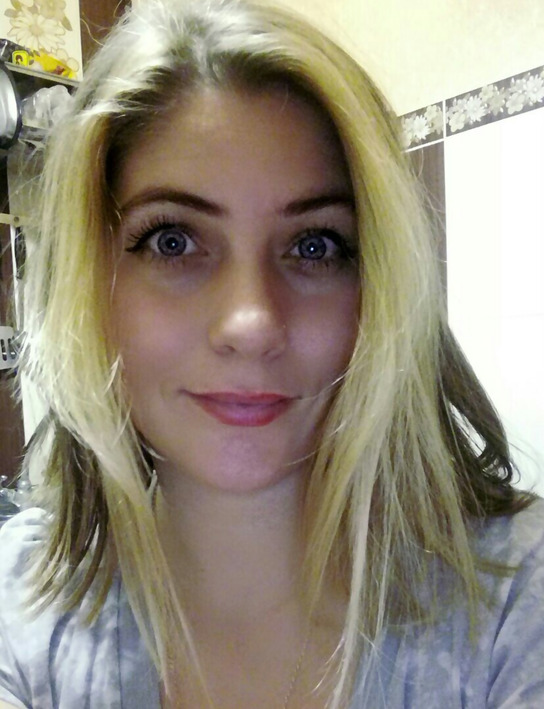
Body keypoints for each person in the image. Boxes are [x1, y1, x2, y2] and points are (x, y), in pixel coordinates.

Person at [0, 0, 543, 707]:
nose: (252, 323)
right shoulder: (20, 619)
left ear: (379, 286)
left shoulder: (515, 605)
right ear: (92, 278)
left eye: (314, 246)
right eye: (173, 241)